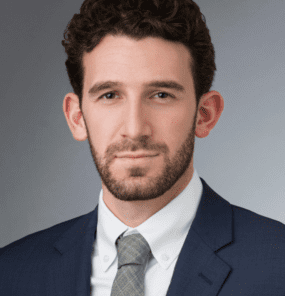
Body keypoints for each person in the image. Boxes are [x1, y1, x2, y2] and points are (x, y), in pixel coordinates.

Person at [1, 0, 284, 295]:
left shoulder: (278, 265)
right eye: (110, 95)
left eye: (161, 95)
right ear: (76, 117)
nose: (135, 129)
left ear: (205, 114)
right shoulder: (11, 273)